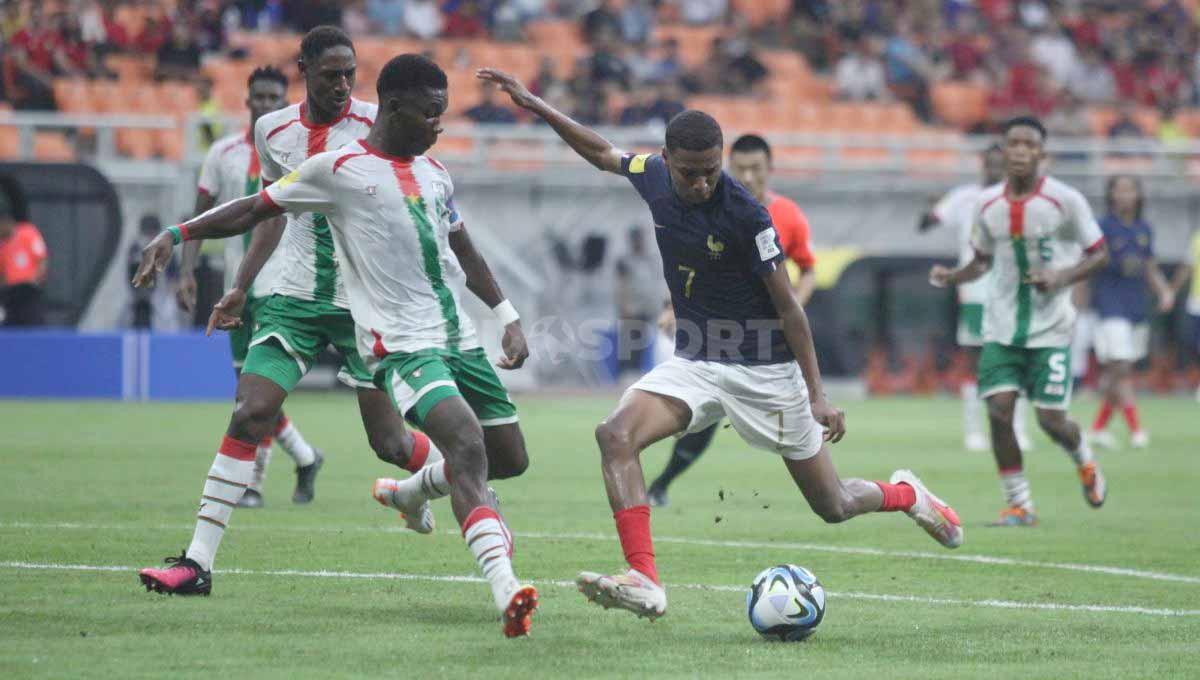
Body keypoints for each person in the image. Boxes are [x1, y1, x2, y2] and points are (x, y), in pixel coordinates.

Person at [480, 66, 963, 622]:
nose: (702, 184)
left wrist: (818, 395)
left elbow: (789, 309)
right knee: (614, 435)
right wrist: (536, 105)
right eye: (691, 173)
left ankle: (907, 494)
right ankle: (645, 578)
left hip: (766, 369)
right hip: (697, 361)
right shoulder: (655, 175)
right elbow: (603, 152)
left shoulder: (746, 215)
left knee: (833, 504)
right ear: (668, 159)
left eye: (711, 171)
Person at [134, 53, 539, 638]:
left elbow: (465, 248)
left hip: (454, 336)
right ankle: (507, 590)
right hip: (354, 323)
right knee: (256, 410)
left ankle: (410, 491)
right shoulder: (330, 163)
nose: (440, 125)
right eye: (433, 114)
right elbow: (257, 208)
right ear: (398, 107)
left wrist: (507, 315)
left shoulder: (434, 173)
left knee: (490, 457)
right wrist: (179, 236)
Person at [133, 26, 442, 599]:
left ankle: (456, 471)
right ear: (304, 69)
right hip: (293, 299)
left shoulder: (382, 122)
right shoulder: (273, 130)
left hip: (360, 304)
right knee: (251, 411)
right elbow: (268, 211)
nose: (344, 84)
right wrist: (240, 285)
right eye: (331, 74)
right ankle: (197, 563)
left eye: (350, 72)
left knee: (392, 445)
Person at [930, 116, 1111, 528]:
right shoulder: (987, 205)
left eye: (1029, 145)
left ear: (1042, 155)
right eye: (1013, 143)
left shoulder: (1066, 201)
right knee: (999, 410)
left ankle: (1083, 458)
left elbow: (1100, 253)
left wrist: (1062, 277)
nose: (1019, 151)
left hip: (1052, 329)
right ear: (1003, 149)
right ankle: (1019, 504)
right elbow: (981, 261)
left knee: (1050, 421)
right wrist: (953, 276)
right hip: (1002, 327)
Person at [176, 65, 324, 508]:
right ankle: (305, 455)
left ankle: (253, 484)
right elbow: (200, 214)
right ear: (247, 102)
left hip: (283, 285)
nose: (264, 103)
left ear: (285, 101)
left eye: (273, 97)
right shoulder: (222, 154)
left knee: (257, 391)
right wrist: (186, 270)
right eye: (258, 96)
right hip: (236, 286)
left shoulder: (303, 155)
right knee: (248, 388)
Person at [646, 133, 819, 507]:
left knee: (825, 492)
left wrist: (795, 306)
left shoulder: (786, 215)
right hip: (717, 341)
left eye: (755, 169)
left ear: (769, 170)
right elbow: (694, 270)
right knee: (700, 418)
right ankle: (660, 484)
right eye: (739, 168)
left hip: (770, 349)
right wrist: (671, 308)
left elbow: (808, 270)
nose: (748, 176)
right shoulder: (706, 207)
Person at [919, 144, 1034, 453]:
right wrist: (930, 210)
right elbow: (928, 222)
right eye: (991, 163)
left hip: (1010, 287)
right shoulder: (964, 197)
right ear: (983, 164)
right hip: (974, 289)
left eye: (1002, 164)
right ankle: (974, 431)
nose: (996, 169)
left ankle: (1018, 429)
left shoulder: (1019, 198)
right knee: (974, 357)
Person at [1088, 176, 1174, 450]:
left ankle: (1098, 428)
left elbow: (1149, 265)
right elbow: (1087, 264)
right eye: (1119, 190)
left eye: (1130, 190)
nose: (1125, 195)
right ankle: (1136, 430)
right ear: (1111, 195)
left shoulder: (1143, 228)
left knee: (1119, 371)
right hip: (1109, 305)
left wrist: (1164, 291)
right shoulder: (1102, 227)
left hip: (1136, 306)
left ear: (1138, 195)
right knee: (1122, 367)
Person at [0, 176, 48, 326]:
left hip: (28, 290)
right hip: (11, 294)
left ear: (6, 221)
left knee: (31, 321)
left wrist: (35, 281)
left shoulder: (28, 233)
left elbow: (42, 260)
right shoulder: (2, 245)